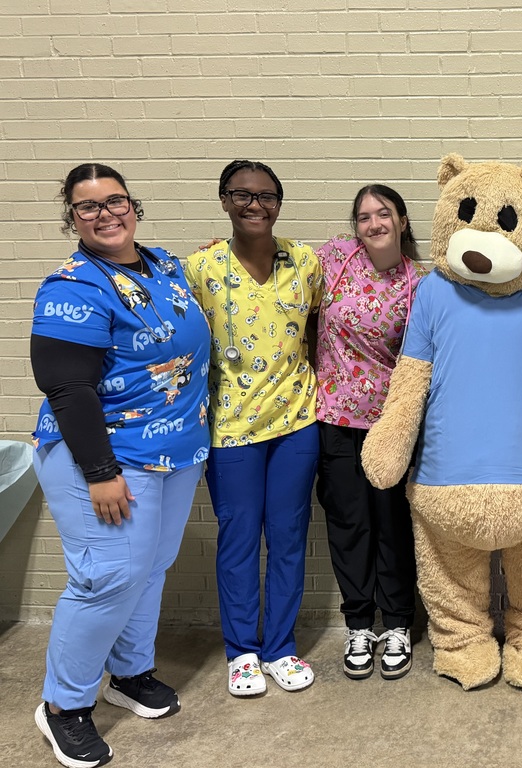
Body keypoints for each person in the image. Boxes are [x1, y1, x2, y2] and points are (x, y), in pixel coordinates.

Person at [31, 163, 211, 768]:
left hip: (175, 451)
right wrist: (101, 470)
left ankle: (128, 673)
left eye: (116, 201)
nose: (106, 214)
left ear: (134, 206)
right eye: (88, 207)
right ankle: (63, 706)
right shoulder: (71, 287)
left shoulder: (165, 266)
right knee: (107, 575)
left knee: (150, 568)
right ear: (72, 218)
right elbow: (67, 390)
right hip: (106, 457)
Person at [185, 160, 322, 697]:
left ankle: (280, 648)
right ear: (223, 201)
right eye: (242, 195)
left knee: (288, 538)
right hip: (230, 429)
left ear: (279, 204)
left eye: (266, 196)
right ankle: (242, 651)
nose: (254, 205)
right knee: (239, 539)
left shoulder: (304, 261)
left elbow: (319, 324)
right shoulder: (201, 267)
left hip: (296, 421)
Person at [314, 185, 427, 680]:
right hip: (334, 419)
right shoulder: (336, 258)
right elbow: (279, 265)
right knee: (348, 523)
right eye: (364, 216)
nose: (374, 223)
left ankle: (398, 622)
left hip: (390, 424)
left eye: (384, 214)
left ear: (402, 221)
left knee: (392, 524)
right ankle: (359, 622)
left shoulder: (418, 283)